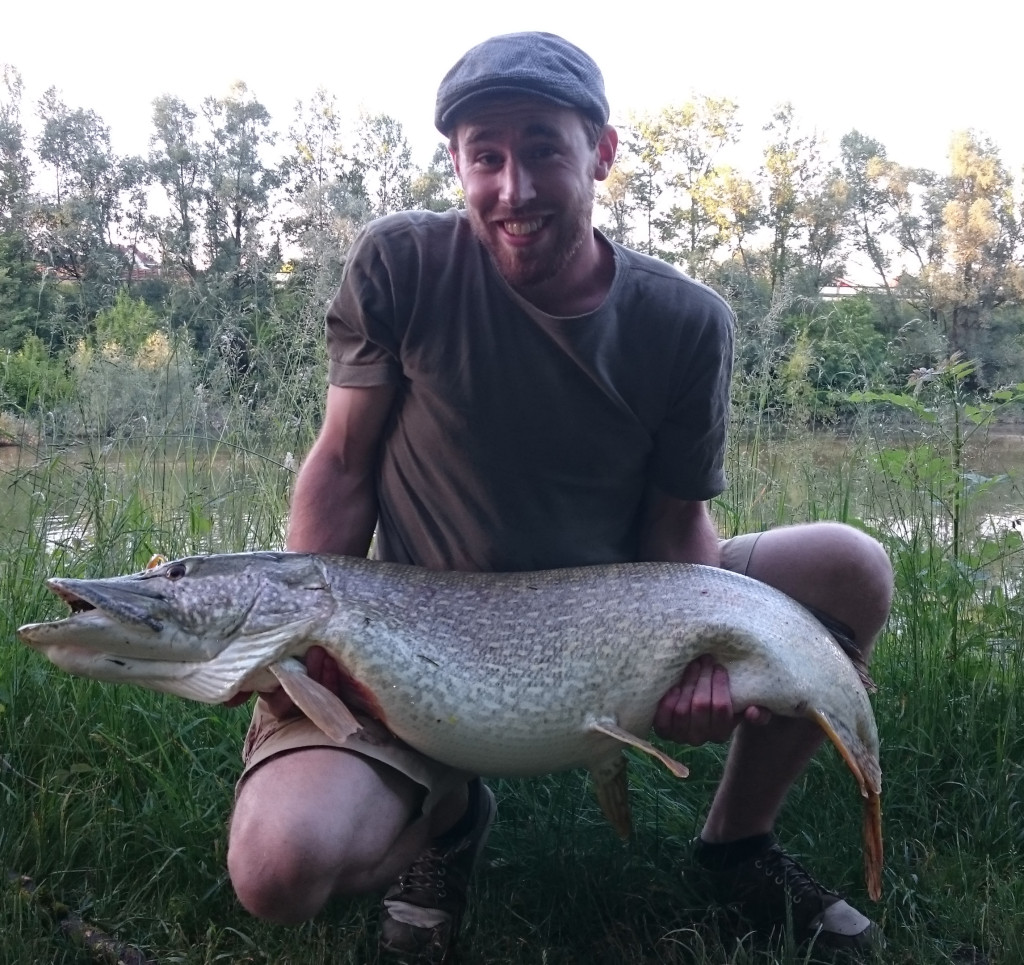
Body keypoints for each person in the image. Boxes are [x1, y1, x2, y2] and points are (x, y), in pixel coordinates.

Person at [226, 31, 894, 964]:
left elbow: (675, 524)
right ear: (456, 163)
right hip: (422, 626)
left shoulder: (688, 322)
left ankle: (736, 842)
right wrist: (305, 645)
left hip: (619, 605)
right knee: (276, 869)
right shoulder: (399, 265)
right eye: (485, 157)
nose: (515, 188)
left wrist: (694, 652)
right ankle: (451, 813)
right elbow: (341, 466)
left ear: (602, 154)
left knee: (850, 569)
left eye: (544, 148)